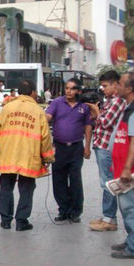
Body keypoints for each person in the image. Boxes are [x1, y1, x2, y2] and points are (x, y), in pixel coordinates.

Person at [0, 79, 54, 231]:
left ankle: (5, 220)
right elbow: (45, 137)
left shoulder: (7, 108)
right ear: (32, 92)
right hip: (28, 157)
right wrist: (48, 157)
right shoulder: (38, 111)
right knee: (26, 188)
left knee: (6, 187)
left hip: (7, 155)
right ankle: (21, 221)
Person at [45, 78, 93, 223]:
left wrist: (87, 147)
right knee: (58, 180)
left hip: (76, 148)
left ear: (78, 90)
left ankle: (75, 212)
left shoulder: (83, 107)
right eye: (67, 88)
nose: (68, 91)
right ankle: (63, 210)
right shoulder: (57, 103)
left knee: (75, 180)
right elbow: (47, 117)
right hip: (59, 148)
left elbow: (88, 127)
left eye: (72, 88)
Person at [110, 72, 134, 259]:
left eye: (121, 83)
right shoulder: (133, 108)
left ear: (129, 88)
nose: (117, 86)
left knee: (133, 208)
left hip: (132, 171)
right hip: (129, 168)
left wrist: (127, 168)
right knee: (132, 207)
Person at [86, 70, 126, 232]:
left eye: (105, 86)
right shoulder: (109, 100)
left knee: (108, 183)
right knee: (105, 182)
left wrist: (96, 111)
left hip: (107, 147)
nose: (103, 89)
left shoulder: (117, 101)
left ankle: (110, 219)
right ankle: (107, 216)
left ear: (116, 85)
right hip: (101, 144)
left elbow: (106, 122)